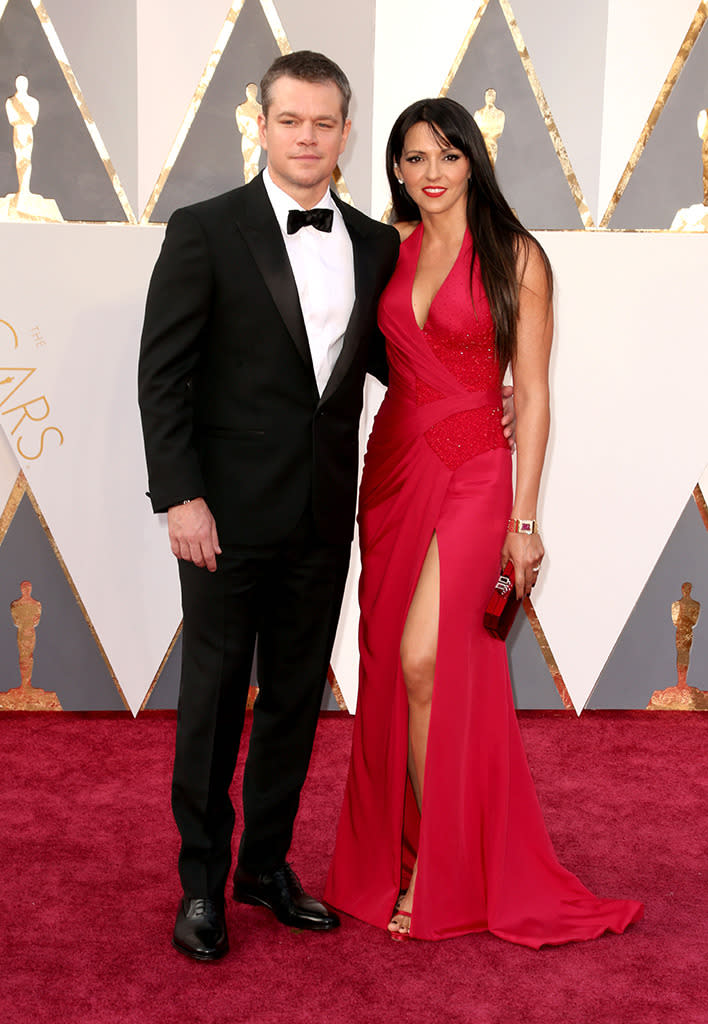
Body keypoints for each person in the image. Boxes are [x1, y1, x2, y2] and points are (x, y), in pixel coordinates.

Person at [324, 97, 644, 946]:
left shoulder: (517, 256)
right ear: (394, 168)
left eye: (448, 156)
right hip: (392, 467)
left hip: (475, 473)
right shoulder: (382, 247)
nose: (431, 173)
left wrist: (525, 520)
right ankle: (410, 848)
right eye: (415, 158)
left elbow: (533, 394)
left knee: (428, 657)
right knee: (392, 662)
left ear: (474, 161)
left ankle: (441, 864)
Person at [138, 51, 400, 961]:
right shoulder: (206, 229)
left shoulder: (374, 241)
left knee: (293, 701)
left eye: (324, 122)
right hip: (222, 518)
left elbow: (395, 362)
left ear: (346, 132)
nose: (307, 137)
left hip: (324, 516)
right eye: (291, 120)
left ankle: (266, 867)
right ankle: (202, 883)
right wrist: (180, 494)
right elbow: (162, 375)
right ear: (262, 124)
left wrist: (490, 390)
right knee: (212, 701)